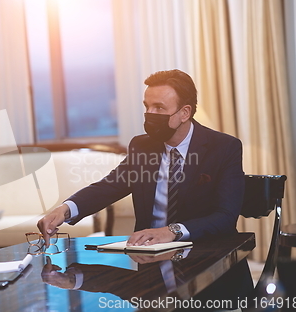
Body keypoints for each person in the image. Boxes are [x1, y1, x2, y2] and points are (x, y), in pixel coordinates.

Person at [38, 69, 245, 246]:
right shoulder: (142, 146)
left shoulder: (224, 148)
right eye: (147, 106)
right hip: (148, 256)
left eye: (160, 108)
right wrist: (65, 210)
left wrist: (171, 231)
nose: (150, 114)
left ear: (185, 113)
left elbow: (225, 217)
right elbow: (109, 187)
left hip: (202, 252)